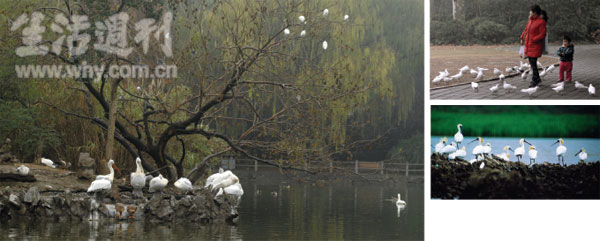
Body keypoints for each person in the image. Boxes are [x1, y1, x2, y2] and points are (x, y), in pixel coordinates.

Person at [520, 4, 547, 87]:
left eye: (531, 11)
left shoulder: (541, 22)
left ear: (534, 12)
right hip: (528, 45)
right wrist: (522, 37)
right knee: (532, 64)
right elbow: (526, 30)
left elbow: (543, 34)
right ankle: (537, 79)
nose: (529, 12)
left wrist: (534, 39)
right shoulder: (530, 20)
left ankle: (534, 80)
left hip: (535, 46)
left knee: (533, 63)